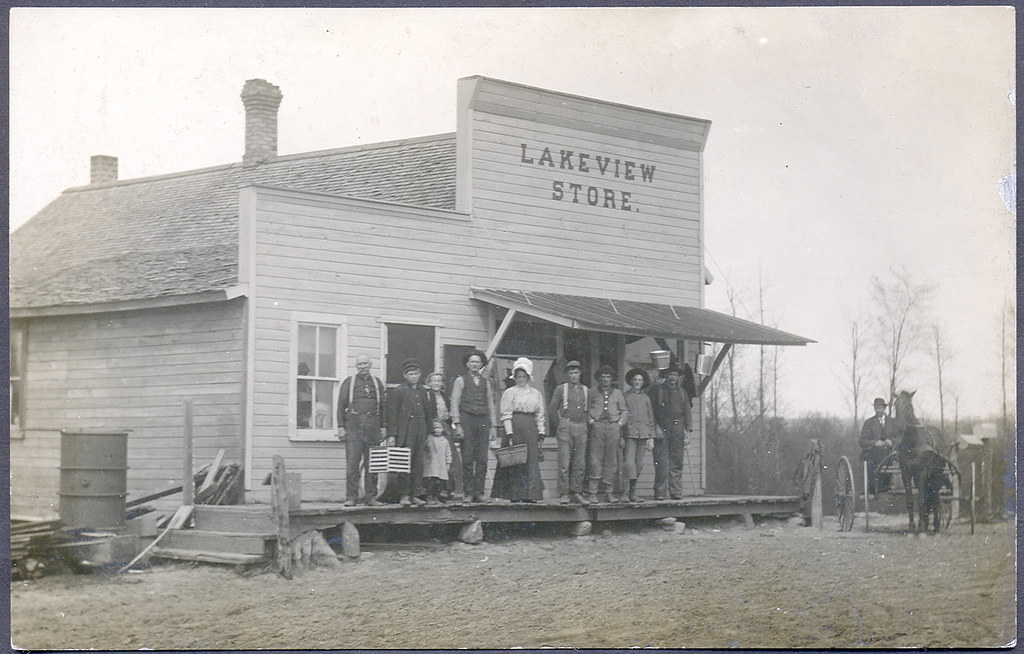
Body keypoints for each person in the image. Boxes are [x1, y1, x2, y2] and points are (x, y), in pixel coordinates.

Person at [491, 357, 546, 502]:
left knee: (530, 460)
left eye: (523, 376)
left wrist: (541, 431)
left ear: (528, 377)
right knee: (514, 460)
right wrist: (509, 433)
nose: (521, 379)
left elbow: (539, 414)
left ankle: (530, 495)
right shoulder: (510, 392)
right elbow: (506, 414)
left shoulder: (536, 393)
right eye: (518, 376)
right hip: (515, 426)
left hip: (530, 427)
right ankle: (514, 495)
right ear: (514, 377)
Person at [336, 354, 386, 507]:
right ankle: (352, 497)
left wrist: (383, 427)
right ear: (356, 367)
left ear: (370, 365)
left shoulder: (377, 383)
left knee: (373, 464)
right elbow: (340, 406)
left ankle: (371, 497)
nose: (362, 366)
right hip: (354, 427)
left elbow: (384, 407)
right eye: (360, 364)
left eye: (365, 364)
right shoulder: (349, 383)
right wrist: (340, 427)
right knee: (352, 464)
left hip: (373, 427)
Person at [450, 350, 499, 504]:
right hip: (467, 420)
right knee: (468, 458)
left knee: (482, 458)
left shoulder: (487, 382)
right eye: (472, 362)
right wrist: (457, 424)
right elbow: (454, 403)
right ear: (467, 364)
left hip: (483, 421)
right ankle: (468, 492)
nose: (475, 364)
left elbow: (491, 405)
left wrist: (493, 426)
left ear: (481, 364)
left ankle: (479, 492)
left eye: (477, 362)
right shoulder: (460, 381)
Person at [385, 359, 435, 507]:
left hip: (421, 428)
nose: (414, 376)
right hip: (406, 430)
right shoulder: (399, 391)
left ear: (420, 375)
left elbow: (428, 412)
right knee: (404, 462)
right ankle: (404, 495)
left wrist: (430, 432)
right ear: (405, 375)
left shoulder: (422, 390)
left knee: (418, 463)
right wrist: (392, 434)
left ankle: (415, 494)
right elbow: (392, 414)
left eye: (416, 373)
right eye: (411, 374)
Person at [548, 360, 590, 505]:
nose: (573, 376)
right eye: (571, 373)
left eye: (576, 372)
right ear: (567, 374)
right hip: (566, 426)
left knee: (579, 463)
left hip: (581, 427)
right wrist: (559, 425)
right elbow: (552, 409)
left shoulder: (586, 390)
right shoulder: (561, 389)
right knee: (564, 462)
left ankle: (576, 492)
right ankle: (564, 493)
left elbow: (589, 410)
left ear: (580, 373)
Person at [650, 364, 693, 500]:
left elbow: (687, 412)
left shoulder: (682, 392)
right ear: (665, 376)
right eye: (670, 375)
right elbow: (651, 411)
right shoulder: (657, 390)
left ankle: (675, 491)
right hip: (661, 429)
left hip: (677, 429)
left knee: (677, 461)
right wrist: (655, 427)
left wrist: (688, 431)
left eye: (675, 375)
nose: (673, 378)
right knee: (661, 461)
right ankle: (660, 492)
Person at [587, 365, 628, 503]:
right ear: (599, 378)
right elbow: (585, 410)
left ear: (612, 379)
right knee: (595, 459)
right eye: (603, 377)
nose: (605, 379)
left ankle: (608, 492)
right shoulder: (592, 392)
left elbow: (624, 411)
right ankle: (593, 492)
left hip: (613, 428)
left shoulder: (617, 393)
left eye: (608, 377)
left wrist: (619, 424)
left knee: (611, 461)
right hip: (597, 427)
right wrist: (591, 421)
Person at [425, 371, 464, 502]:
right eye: (434, 381)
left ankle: (448, 489)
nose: (436, 383)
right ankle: (431, 492)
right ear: (429, 383)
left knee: (450, 458)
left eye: (439, 381)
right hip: (432, 428)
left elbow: (450, 414)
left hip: (445, 429)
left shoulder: (445, 397)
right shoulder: (426, 396)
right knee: (433, 460)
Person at [622, 367, 657, 503]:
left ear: (643, 382)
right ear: (631, 381)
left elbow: (650, 418)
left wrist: (651, 437)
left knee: (638, 465)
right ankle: (624, 493)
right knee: (629, 464)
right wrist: (621, 436)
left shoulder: (646, 398)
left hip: (643, 435)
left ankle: (633, 493)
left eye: (640, 380)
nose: (637, 382)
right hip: (629, 434)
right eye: (635, 380)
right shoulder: (625, 396)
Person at [859, 397, 894, 496]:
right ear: (874, 409)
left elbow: (898, 438)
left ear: (884, 408)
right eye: (877, 408)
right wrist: (874, 443)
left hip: (890, 453)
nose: (879, 410)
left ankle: (888, 484)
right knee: (877, 455)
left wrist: (891, 442)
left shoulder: (892, 422)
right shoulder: (869, 423)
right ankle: (875, 486)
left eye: (881, 407)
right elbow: (862, 441)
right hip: (873, 453)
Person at [423, 419, 453, 506]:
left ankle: (436, 497)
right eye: (435, 428)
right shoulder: (429, 438)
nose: (437, 430)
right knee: (432, 481)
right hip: (432, 464)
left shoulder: (445, 440)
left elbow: (448, 453)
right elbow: (425, 449)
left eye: (439, 428)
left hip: (442, 465)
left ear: (443, 429)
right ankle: (429, 497)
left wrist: (448, 463)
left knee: (440, 482)